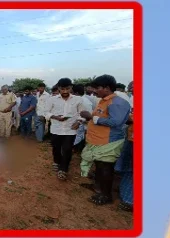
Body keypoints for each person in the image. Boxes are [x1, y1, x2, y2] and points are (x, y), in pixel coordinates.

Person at [79, 74, 131, 206]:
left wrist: (92, 118)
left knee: (106, 168)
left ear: (107, 88)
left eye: (97, 88)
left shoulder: (118, 103)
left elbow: (116, 122)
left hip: (109, 142)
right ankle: (98, 187)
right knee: (99, 166)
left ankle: (106, 195)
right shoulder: (103, 100)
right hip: (98, 140)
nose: (94, 91)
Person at [44, 78, 86, 180]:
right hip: (56, 129)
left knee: (67, 149)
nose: (65, 91)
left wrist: (79, 122)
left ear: (71, 88)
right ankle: (57, 161)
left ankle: (63, 169)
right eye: (63, 89)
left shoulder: (78, 100)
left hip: (70, 129)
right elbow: (45, 112)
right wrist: (55, 117)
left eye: (68, 89)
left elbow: (83, 113)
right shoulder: (52, 99)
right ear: (59, 88)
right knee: (56, 149)